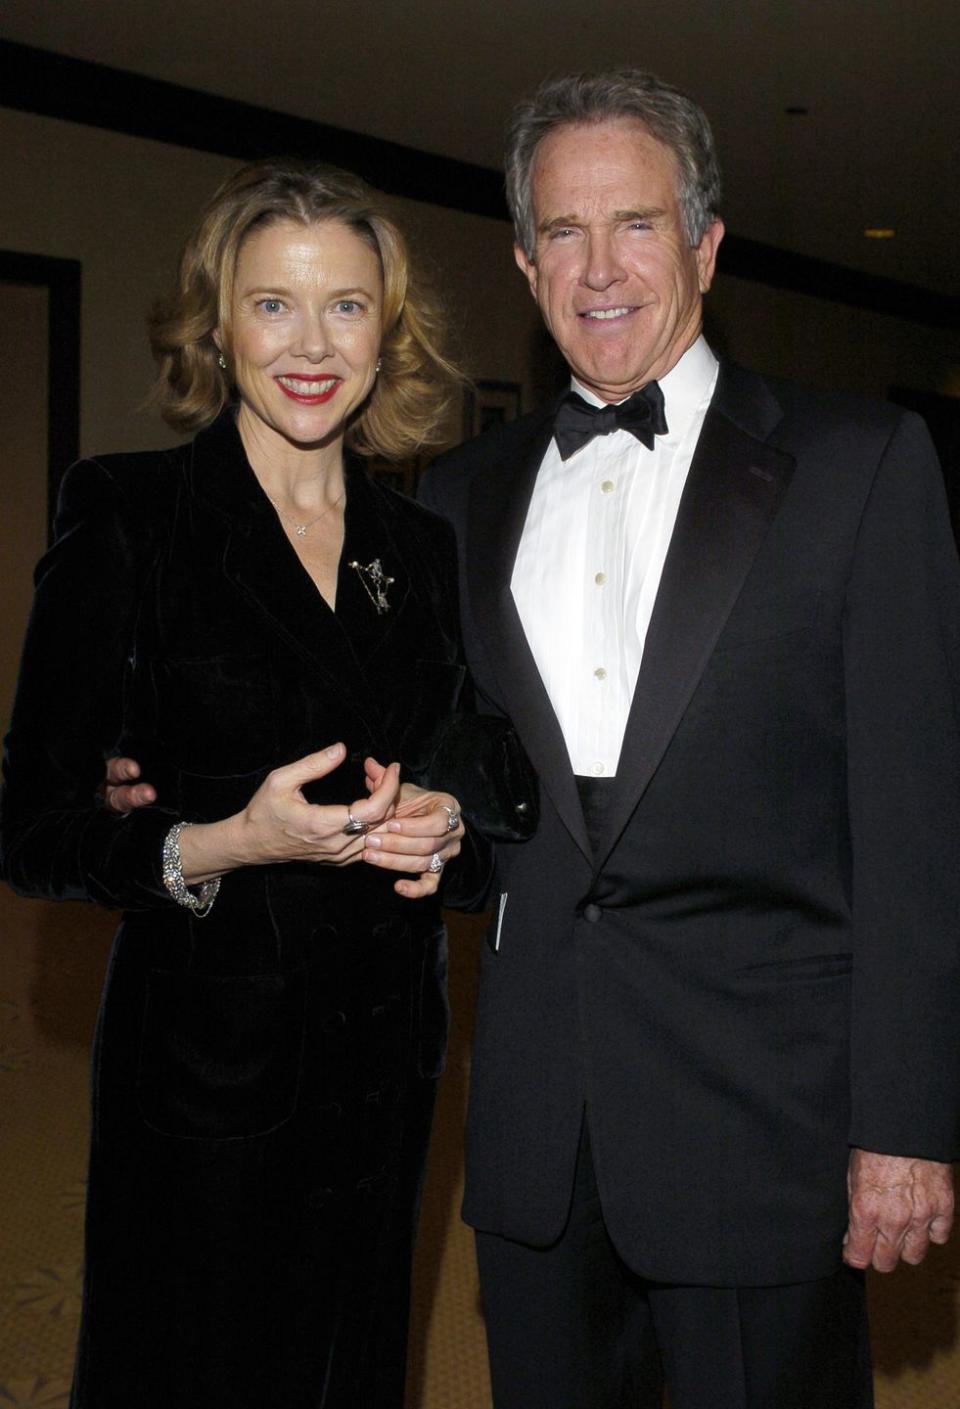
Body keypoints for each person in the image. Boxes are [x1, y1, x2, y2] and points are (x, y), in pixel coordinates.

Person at [416, 70, 960, 1409]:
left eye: (637, 224)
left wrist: (904, 1125)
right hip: (539, 1134)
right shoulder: (456, 499)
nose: (598, 268)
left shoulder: (861, 464)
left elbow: (916, 829)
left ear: (707, 245)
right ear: (525, 259)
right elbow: (456, 772)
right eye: (562, 231)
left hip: (761, 1125)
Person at [0, 158, 492, 1409]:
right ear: (219, 327)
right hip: (207, 1073)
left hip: (385, 1059)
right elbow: (37, 824)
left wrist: (444, 827)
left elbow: (470, 783)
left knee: (354, 1365)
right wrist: (221, 840)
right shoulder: (130, 511)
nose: (310, 343)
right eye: (273, 303)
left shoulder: (421, 547)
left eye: (344, 306)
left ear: (389, 333)